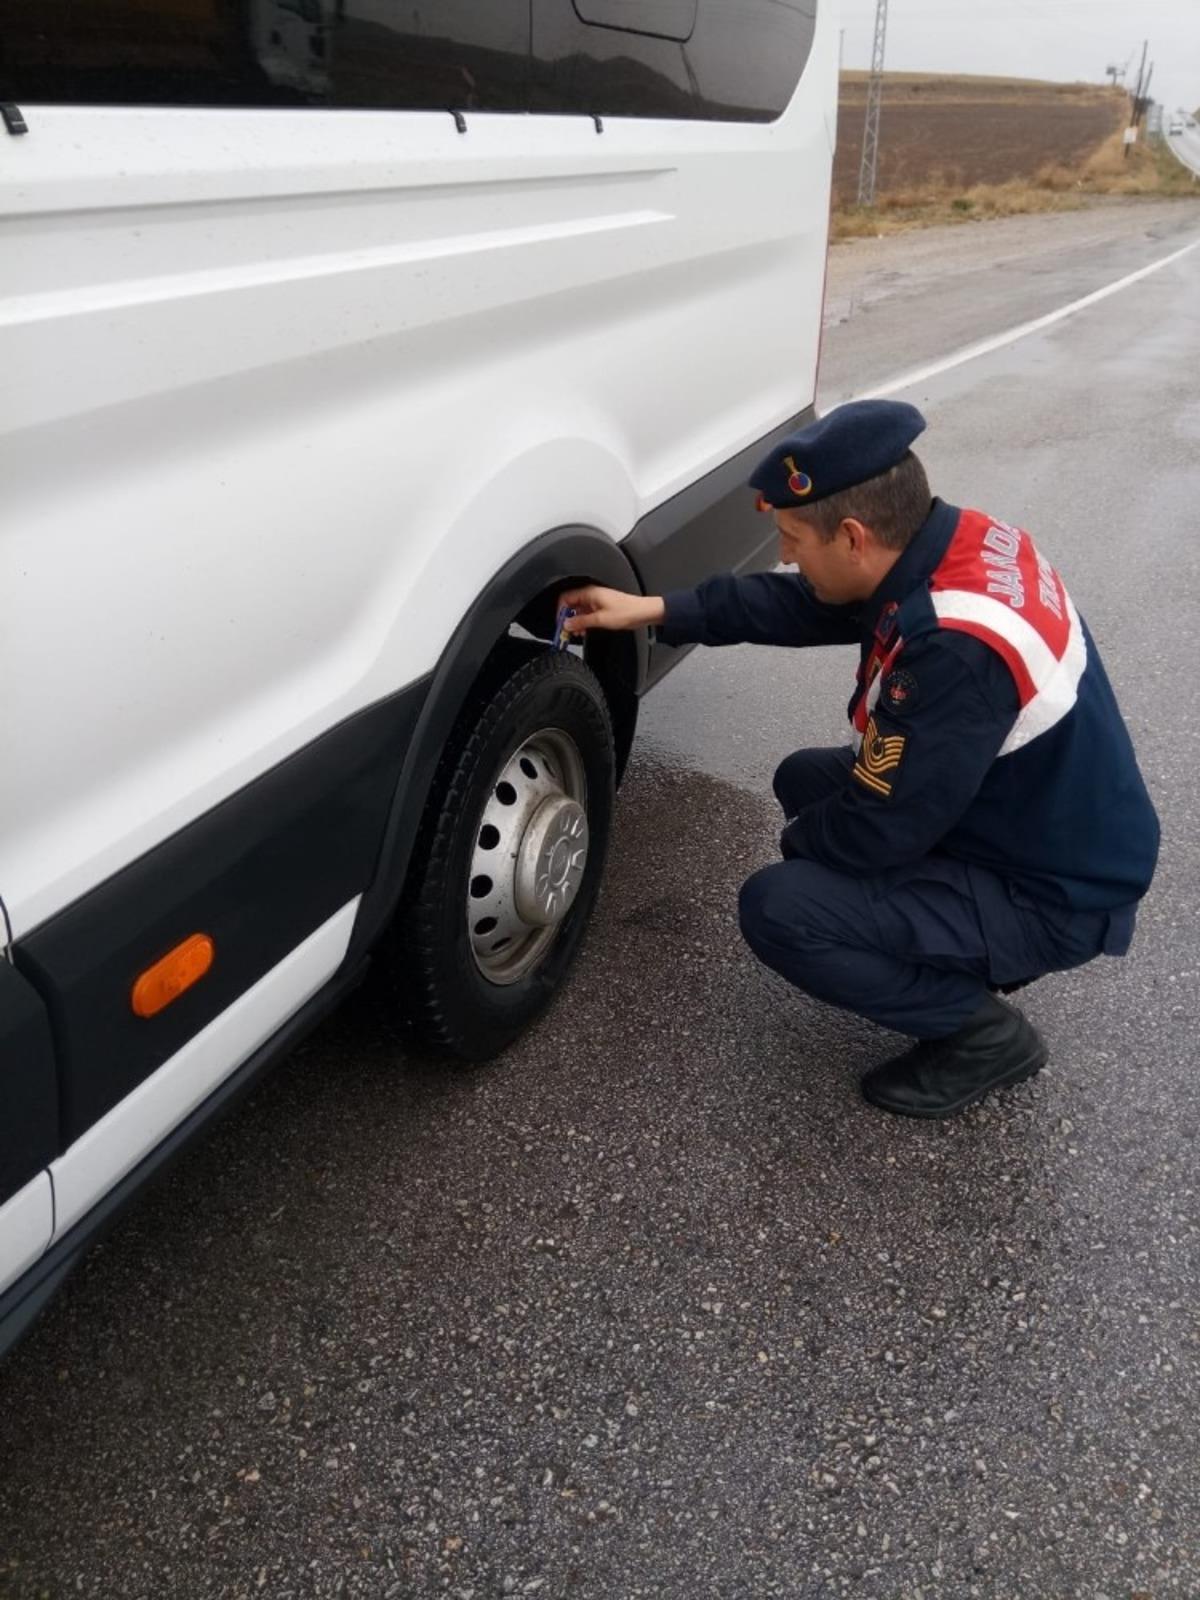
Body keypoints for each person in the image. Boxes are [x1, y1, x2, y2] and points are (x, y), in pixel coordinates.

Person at [559, 400, 1159, 1119]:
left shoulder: (954, 651)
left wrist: (805, 854)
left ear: (852, 536)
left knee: (782, 907)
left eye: (791, 538)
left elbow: (882, 830)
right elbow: (803, 606)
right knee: (805, 780)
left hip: (1052, 891)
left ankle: (982, 1035)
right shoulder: (948, 543)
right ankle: (935, 939)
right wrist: (651, 609)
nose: (784, 555)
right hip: (1032, 816)